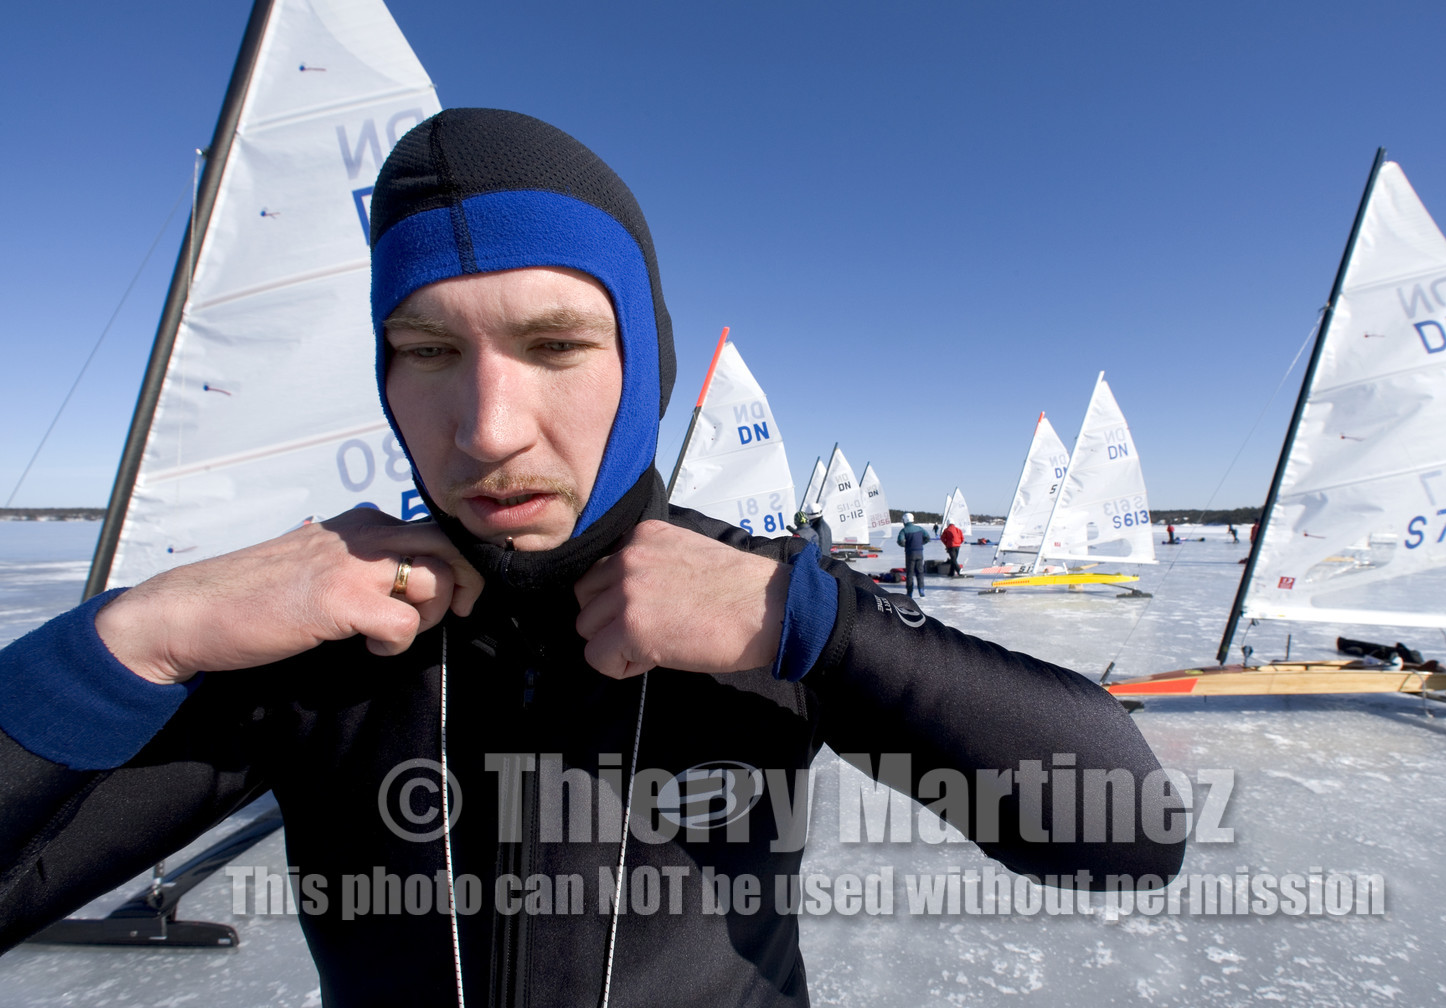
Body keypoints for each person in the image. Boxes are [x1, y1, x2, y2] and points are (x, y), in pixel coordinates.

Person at [0, 109, 1180, 1007]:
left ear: (642, 365)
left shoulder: (767, 607)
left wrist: (819, 630)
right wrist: (130, 639)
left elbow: (1130, 834)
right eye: (425, 350)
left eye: (555, 342)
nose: (488, 428)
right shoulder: (331, 637)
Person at [896, 512, 932, 598]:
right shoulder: (919, 528)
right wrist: (921, 543)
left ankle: (909, 593)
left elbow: (900, 541)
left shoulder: (904, 530)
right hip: (920, 553)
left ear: (905, 520)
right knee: (920, 572)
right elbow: (927, 537)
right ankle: (921, 590)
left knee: (910, 573)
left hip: (910, 554)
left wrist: (906, 545)